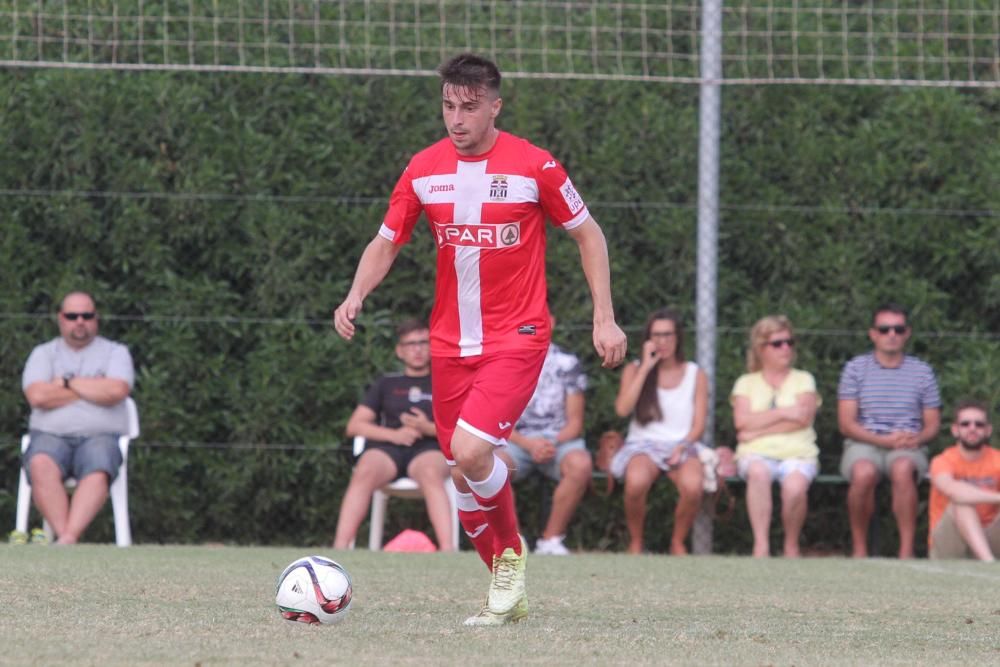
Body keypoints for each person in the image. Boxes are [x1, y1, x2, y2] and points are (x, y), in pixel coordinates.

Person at [332, 53, 627, 626]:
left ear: (495, 105)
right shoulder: (423, 168)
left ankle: (512, 555)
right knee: (460, 470)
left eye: (469, 107)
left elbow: (589, 236)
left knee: (470, 454)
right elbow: (387, 241)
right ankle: (505, 590)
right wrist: (355, 294)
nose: (456, 119)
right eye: (448, 105)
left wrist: (604, 317)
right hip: (449, 344)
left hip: (517, 336)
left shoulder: (535, 166)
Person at [18, 291, 134, 545]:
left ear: (96, 318)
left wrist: (66, 384)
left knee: (100, 463)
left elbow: (117, 391)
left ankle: (66, 539)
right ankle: (66, 537)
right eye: (72, 315)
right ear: (61, 318)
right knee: (39, 463)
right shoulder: (43, 354)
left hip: (100, 436)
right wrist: (94, 388)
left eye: (86, 315)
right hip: (49, 436)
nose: (79, 321)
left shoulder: (115, 352)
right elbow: (37, 396)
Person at [332, 318, 454, 552]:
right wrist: (394, 435)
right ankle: (339, 550)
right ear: (400, 351)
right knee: (365, 470)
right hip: (388, 448)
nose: (417, 349)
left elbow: (461, 429)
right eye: (410, 344)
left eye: (423, 342)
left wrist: (427, 428)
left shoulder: (446, 382)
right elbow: (355, 426)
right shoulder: (386, 383)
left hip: (430, 448)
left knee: (430, 472)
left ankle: (448, 551)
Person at [838, 303, 941, 558]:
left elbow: (932, 424)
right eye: (884, 329)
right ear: (873, 334)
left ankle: (906, 552)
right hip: (865, 441)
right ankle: (859, 550)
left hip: (907, 444)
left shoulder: (922, 372)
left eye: (898, 329)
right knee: (863, 473)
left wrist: (916, 438)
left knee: (903, 469)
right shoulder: (855, 369)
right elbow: (846, 424)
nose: (891, 334)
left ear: (907, 333)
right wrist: (882, 440)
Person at [609, 308, 708, 555]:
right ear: (647, 339)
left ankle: (677, 541)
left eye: (668, 335)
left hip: (681, 444)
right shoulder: (634, 369)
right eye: (656, 335)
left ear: (678, 338)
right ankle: (636, 541)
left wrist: (683, 446)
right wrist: (645, 368)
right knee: (636, 482)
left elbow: (698, 425)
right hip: (643, 445)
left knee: (693, 486)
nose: (662, 341)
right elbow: (622, 410)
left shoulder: (695, 373)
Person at [730, 315, 821, 558]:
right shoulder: (745, 382)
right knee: (758, 472)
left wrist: (756, 429)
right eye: (778, 343)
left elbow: (803, 419)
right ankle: (761, 546)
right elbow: (741, 421)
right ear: (761, 349)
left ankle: (791, 545)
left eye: (789, 342)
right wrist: (784, 412)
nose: (786, 348)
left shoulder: (804, 379)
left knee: (795, 487)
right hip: (755, 453)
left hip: (798, 453)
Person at [505, 316, 592, 556]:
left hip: (558, 441)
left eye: (539, 320)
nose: (532, 327)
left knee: (581, 464)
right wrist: (528, 444)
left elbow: (575, 422)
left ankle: (550, 541)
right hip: (516, 440)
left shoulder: (567, 363)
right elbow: (496, 419)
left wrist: (548, 444)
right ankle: (512, 544)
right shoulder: (504, 362)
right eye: (526, 322)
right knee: (492, 467)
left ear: (551, 322)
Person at [928, 400, 1000, 561]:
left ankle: (986, 556)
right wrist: (997, 497)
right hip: (950, 541)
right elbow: (953, 490)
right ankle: (988, 563)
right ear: (955, 430)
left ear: (988, 431)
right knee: (960, 503)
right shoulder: (942, 461)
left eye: (979, 424)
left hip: (989, 537)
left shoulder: (997, 459)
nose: (972, 428)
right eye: (965, 424)